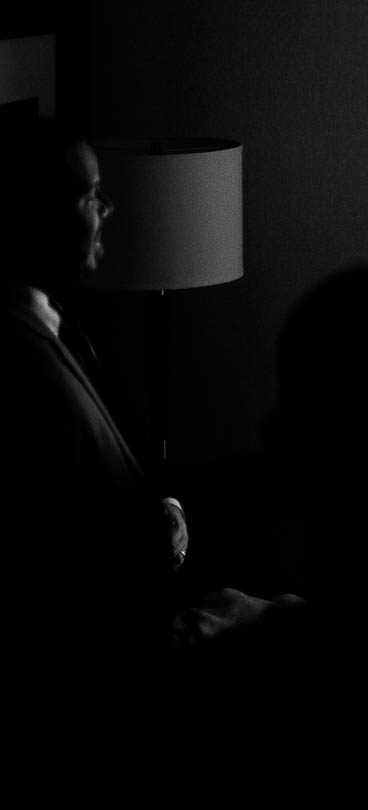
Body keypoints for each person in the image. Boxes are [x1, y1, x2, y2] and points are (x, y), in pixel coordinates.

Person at [0, 115, 185, 773]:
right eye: (88, 195)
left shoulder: (58, 332)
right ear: (31, 215)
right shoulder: (15, 367)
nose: (106, 211)